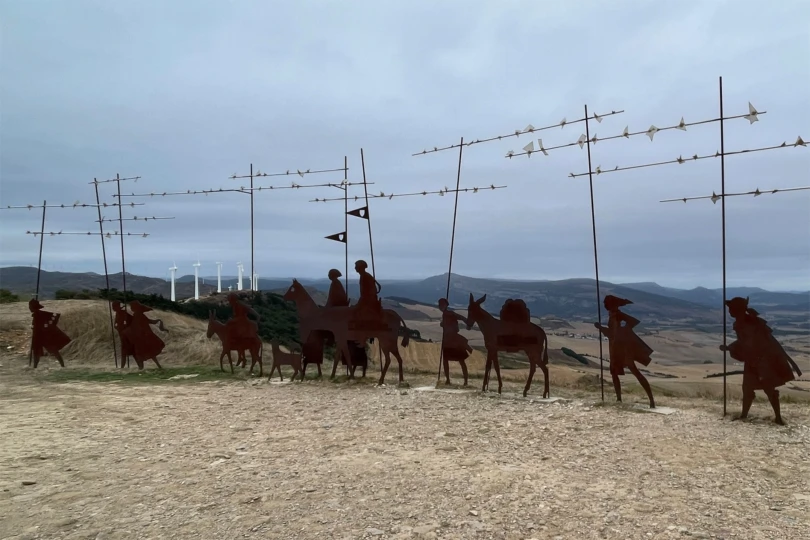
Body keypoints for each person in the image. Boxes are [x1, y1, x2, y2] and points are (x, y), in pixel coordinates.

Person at [721, 296, 802, 425]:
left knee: (769, 389)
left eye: (731, 308)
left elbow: (749, 342)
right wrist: (730, 347)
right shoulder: (740, 323)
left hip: (762, 360)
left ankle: (778, 418)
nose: (729, 311)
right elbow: (744, 342)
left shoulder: (750, 323)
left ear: (738, 309)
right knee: (747, 388)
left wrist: (731, 347)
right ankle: (744, 415)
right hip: (752, 359)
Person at [594, 295, 656, 408]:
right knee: (614, 373)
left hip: (622, 349)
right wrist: (601, 328)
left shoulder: (618, 315)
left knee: (635, 372)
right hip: (615, 348)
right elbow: (612, 332)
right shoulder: (612, 315)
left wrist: (623, 332)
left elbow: (632, 322)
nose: (605, 306)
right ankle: (619, 399)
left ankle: (651, 400)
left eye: (606, 303)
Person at [123, 300, 167, 369]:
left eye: (132, 307)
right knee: (149, 352)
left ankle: (143, 367)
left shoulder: (138, 315)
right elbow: (148, 322)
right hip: (144, 335)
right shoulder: (139, 314)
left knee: (143, 352)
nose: (131, 308)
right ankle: (158, 366)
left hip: (142, 336)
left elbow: (136, 326)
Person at [439, 298, 473, 385]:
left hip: (453, 339)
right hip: (447, 340)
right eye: (440, 305)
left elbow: (460, 317)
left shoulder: (450, 313)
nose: (441, 306)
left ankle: (465, 381)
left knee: (461, 360)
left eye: (442, 304)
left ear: (446, 305)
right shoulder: (444, 315)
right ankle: (448, 380)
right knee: (446, 360)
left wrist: (468, 323)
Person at [29, 298, 71, 368]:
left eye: (30, 306)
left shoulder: (39, 314)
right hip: (38, 336)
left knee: (52, 350)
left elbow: (53, 317)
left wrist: (45, 328)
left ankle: (62, 365)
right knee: (37, 351)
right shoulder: (36, 314)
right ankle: (35, 367)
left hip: (43, 336)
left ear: (33, 307)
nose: (29, 308)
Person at [112, 301, 134, 368]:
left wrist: (125, 325)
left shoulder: (123, 313)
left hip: (126, 335)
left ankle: (123, 366)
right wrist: (116, 326)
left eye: (114, 307)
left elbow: (130, 320)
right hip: (121, 334)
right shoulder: (117, 313)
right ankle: (122, 366)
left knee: (127, 350)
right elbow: (115, 323)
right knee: (124, 350)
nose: (113, 308)